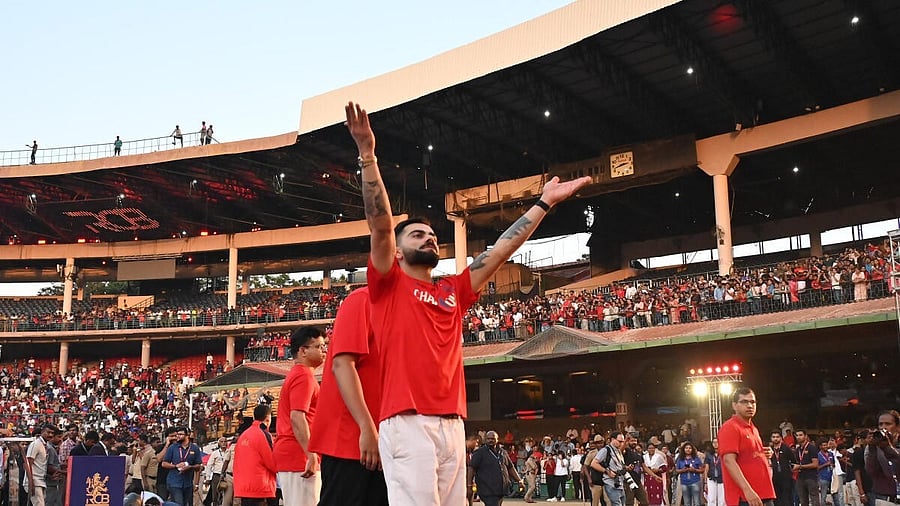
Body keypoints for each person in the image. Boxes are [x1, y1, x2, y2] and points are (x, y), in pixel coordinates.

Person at [344, 101, 590, 506]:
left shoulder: (451, 290)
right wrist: (368, 155)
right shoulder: (388, 285)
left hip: (453, 422)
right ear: (399, 252)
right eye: (417, 235)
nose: (428, 238)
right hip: (406, 421)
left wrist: (543, 203)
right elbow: (381, 223)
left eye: (430, 234)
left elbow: (498, 252)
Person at [308, 287, 388, 506]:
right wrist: (367, 427)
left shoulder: (406, 307)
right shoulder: (362, 299)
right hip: (352, 441)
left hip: (387, 441)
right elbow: (342, 364)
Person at [274, 326, 327, 506]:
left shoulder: (300, 375)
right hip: (298, 456)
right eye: (319, 347)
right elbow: (297, 417)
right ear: (303, 351)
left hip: (295, 455)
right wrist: (310, 455)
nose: (324, 351)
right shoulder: (303, 376)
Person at [719, 387, 776, 506]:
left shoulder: (753, 428)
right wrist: (747, 490)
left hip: (763, 494)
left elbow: (748, 455)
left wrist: (763, 453)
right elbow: (729, 461)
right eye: (744, 402)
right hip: (745, 497)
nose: (750, 405)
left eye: (752, 402)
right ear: (734, 405)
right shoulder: (730, 427)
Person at [233, 404, 277, 506]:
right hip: (260, 488)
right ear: (268, 418)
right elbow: (272, 463)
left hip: (244, 488)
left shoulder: (244, 435)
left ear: (254, 417)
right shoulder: (263, 434)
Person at [467, 431, 523, 506]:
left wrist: (519, 481)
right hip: (487, 489)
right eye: (488, 439)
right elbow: (471, 468)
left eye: (493, 439)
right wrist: (469, 485)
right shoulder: (479, 453)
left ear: (497, 439)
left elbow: (510, 467)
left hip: (501, 488)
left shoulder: (503, 452)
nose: (490, 440)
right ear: (485, 440)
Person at [161, 427, 203, 506]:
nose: (178, 436)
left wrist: (190, 467)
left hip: (188, 483)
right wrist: (175, 466)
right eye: (177, 435)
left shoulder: (195, 448)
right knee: (178, 503)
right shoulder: (173, 447)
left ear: (187, 435)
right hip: (174, 482)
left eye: (180, 434)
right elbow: (164, 463)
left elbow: (198, 466)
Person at [590, 431, 627, 506]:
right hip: (610, 483)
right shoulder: (605, 450)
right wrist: (607, 472)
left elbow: (619, 465)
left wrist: (626, 468)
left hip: (619, 483)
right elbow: (593, 463)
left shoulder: (618, 451)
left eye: (622, 442)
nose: (621, 443)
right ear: (613, 439)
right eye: (619, 441)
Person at [25, 424, 55, 506]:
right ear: (42, 432)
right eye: (48, 432)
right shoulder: (36, 444)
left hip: (41, 480)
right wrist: (31, 483)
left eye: (52, 433)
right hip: (34, 481)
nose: (50, 435)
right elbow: (28, 463)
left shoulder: (45, 446)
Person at [793, 430, 821, 506]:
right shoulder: (798, 449)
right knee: (803, 501)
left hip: (811, 477)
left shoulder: (812, 447)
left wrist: (800, 466)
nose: (798, 437)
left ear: (805, 436)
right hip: (800, 477)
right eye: (797, 435)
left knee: (815, 501)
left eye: (800, 435)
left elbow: (815, 464)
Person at [770, 430, 797, 506]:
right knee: (776, 499)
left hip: (786, 477)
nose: (775, 439)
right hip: (774, 478)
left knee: (787, 498)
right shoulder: (770, 449)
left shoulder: (786, 448)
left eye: (777, 437)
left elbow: (793, 461)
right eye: (774, 437)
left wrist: (791, 472)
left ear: (781, 438)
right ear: (771, 438)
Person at [643, 442, 667, 506]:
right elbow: (641, 467)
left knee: (656, 493)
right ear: (647, 449)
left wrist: (658, 470)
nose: (651, 450)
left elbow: (664, 468)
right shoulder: (644, 457)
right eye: (649, 448)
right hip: (647, 478)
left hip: (656, 478)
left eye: (653, 448)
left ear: (655, 449)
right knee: (647, 493)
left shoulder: (659, 457)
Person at [704, 439, 726, 506]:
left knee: (722, 498)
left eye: (717, 442)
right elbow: (706, 468)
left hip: (722, 478)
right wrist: (705, 482)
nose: (715, 444)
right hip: (711, 478)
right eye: (714, 442)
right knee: (711, 498)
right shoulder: (708, 455)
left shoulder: (723, 454)